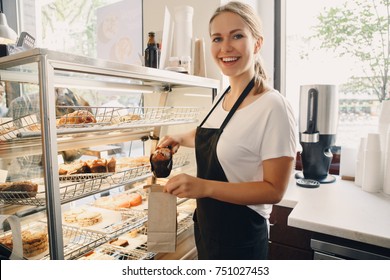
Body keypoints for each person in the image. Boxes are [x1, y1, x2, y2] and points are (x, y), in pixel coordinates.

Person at [158, 1, 297, 260]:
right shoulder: (224, 97)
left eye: (237, 36)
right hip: (208, 231)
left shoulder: (273, 106)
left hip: (241, 240)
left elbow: (274, 190)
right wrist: (178, 137)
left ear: (257, 43)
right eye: (217, 38)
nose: (225, 48)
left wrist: (204, 187)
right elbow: (215, 135)